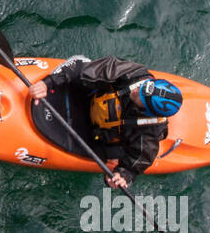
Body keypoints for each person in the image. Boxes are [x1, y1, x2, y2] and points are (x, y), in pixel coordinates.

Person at [29, 55, 182, 189]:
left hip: (95, 135)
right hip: (87, 96)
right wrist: (47, 83)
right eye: (142, 88)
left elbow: (133, 166)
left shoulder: (148, 136)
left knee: (115, 157)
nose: (136, 91)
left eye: (141, 97)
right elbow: (79, 68)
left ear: (147, 111)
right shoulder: (134, 75)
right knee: (80, 62)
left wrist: (122, 176)